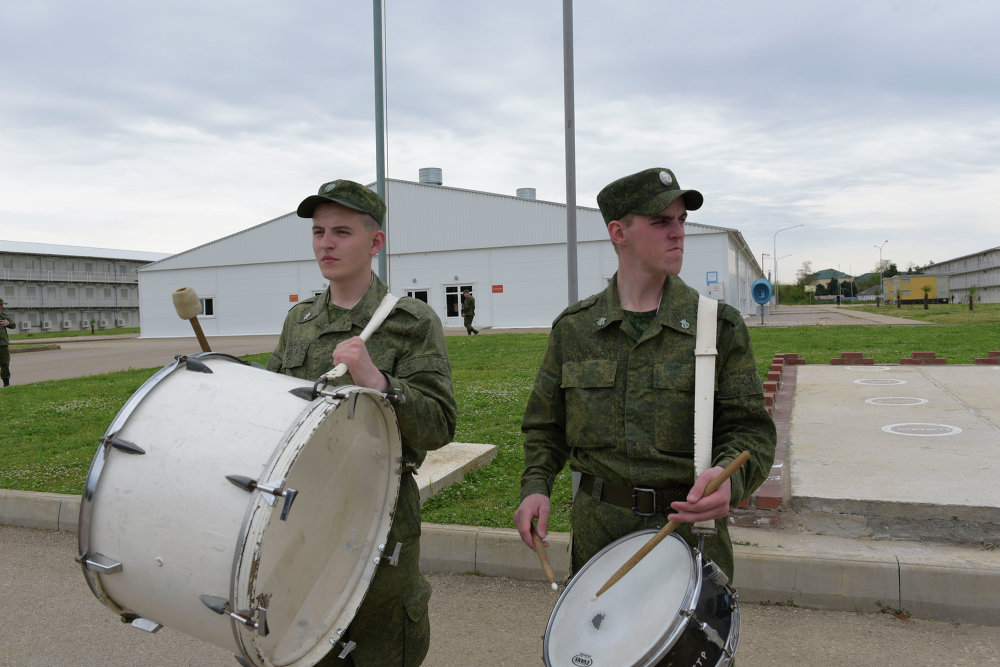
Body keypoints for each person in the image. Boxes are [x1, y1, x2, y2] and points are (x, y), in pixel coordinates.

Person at [513, 167, 776, 581]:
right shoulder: (575, 329)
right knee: (597, 647)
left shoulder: (718, 327)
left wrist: (731, 480)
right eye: (661, 222)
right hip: (599, 544)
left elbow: (751, 433)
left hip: (689, 544)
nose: (678, 233)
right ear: (619, 232)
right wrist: (536, 487)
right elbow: (546, 428)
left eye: (681, 220)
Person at [267, 179, 457, 666]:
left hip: (378, 521)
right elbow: (275, 413)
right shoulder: (300, 321)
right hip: (301, 518)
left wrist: (379, 381)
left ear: (376, 242)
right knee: (297, 642)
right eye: (318, 232)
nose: (325, 243)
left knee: (377, 648)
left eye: (342, 232)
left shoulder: (411, 322)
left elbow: (437, 426)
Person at [0, 299, 14, 386]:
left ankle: (6, 384)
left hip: (3, 345)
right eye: (1, 305)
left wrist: (8, 323)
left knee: (5, 364)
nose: (2, 307)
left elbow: (13, 325)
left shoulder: (3, 316)